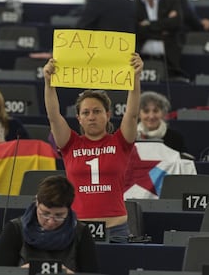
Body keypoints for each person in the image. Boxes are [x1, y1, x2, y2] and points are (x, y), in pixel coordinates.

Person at [43, 53, 143, 237]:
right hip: (78, 229)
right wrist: (49, 83)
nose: (91, 116)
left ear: (107, 114)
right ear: (79, 118)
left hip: (117, 229)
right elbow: (53, 117)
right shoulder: (70, 143)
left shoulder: (120, 142)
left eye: (97, 111)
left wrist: (135, 78)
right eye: (86, 112)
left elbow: (132, 114)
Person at [0, 175, 99, 273]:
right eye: (45, 213)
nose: (51, 221)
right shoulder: (14, 230)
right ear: (37, 203)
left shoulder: (81, 232)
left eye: (59, 215)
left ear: (69, 209)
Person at [135, 0, 186, 79]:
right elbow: (136, 30)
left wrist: (148, 25)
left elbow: (176, 23)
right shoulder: (133, 5)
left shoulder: (172, 1)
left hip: (169, 63)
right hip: (140, 62)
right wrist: (163, 28)